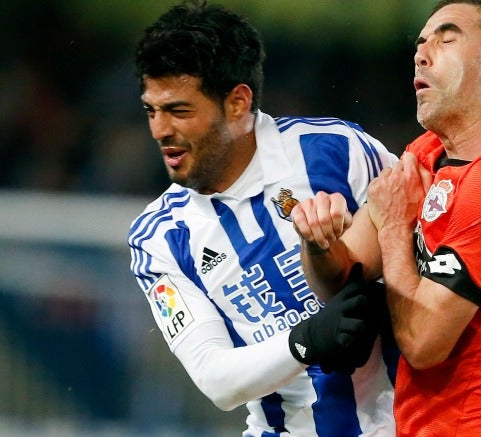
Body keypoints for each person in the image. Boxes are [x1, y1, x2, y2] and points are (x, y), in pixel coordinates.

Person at [291, 0, 481, 435]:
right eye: (421, 43)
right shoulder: (426, 155)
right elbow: (340, 278)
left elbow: (423, 343)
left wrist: (393, 229)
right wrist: (317, 241)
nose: (421, 53)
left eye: (446, 39)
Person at [127, 1, 399, 435]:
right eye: (151, 110)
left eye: (179, 111)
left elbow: (433, 246)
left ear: (237, 103)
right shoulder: (159, 237)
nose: (160, 129)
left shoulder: (338, 150)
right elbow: (216, 379)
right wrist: (306, 341)